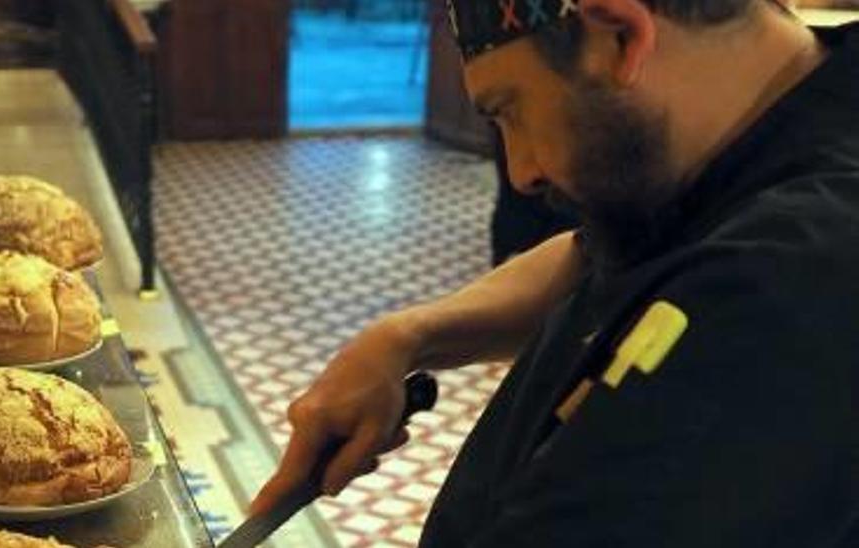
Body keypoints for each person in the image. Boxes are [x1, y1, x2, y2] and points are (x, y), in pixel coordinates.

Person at [251, 0, 859, 545]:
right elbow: (592, 253)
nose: (522, 171)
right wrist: (407, 338)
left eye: (511, 110)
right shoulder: (781, 114)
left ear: (620, 36)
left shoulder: (779, 289)